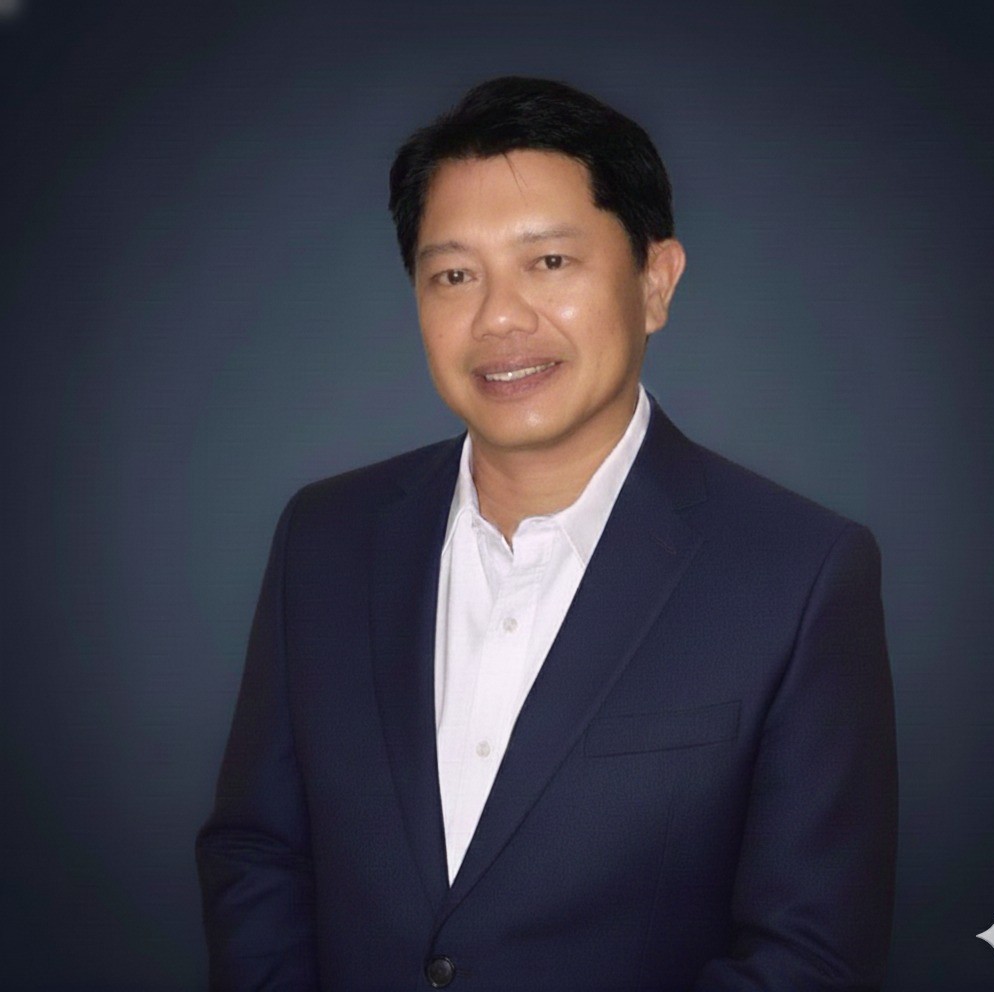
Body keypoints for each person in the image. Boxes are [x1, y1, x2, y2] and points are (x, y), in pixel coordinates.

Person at [196, 76, 898, 991]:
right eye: (455, 275)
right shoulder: (324, 539)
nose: (499, 318)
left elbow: (809, 954)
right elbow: (259, 851)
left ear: (655, 282)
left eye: (550, 261)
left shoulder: (799, 575)